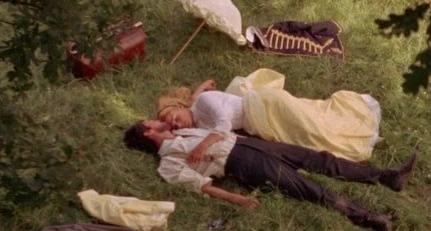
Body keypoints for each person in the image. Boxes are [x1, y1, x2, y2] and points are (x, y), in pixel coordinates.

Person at [123, 120, 417, 231]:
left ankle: (387, 177)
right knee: (311, 190)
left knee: (321, 160)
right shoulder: (168, 164)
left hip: (250, 144)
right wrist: (238, 199)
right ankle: (371, 219)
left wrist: (203, 144)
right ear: (148, 133)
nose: (158, 120)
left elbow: (219, 132)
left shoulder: (184, 132)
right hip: (243, 164)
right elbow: (203, 186)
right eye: (151, 122)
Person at [156, 68, 381, 162]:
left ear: (180, 106)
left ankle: (357, 125)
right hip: (258, 123)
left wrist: (203, 146)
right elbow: (194, 108)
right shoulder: (197, 121)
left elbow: (223, 123)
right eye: (173, 125)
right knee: (303, 138)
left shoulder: (204, 102)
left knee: (314, 125)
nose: (176, 123)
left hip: (267, 106)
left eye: (174, 117)